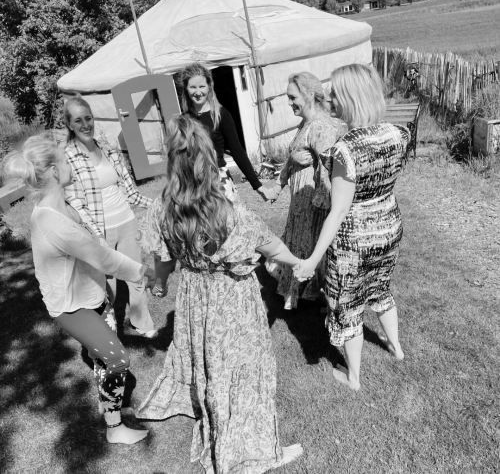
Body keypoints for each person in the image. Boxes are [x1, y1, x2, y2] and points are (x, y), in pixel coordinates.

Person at [135, 116, 303, 473]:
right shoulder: (227, 213)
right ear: (206, 161)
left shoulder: (161, 208)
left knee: (211, 361)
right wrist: (300, 262)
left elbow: (162, 262)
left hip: (195, 296)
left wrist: (162, 284)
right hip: (232, 299)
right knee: (244, 367)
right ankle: (252, 448)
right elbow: (271, 246)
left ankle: (213, 406)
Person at [2, 136, 155, 444]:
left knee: (102, 356)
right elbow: (104, 257)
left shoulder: (66, 205)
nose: (72, 165)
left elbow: (94, 244)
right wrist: (144, 273)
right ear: (55, 171)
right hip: (72, 307)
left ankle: (105, 400)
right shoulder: (53, 222)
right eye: (66, 161)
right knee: (117, 359)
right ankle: (115, 429)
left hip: (94, 294)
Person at [294, 64, 408, 391]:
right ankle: (396, 349)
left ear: (349, 97)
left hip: (354, 240)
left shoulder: (345, 149)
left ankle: (354, 377)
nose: (329, 99)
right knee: (380, 288)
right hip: (389, 226)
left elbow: (340, 208)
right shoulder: (398, 134)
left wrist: (313, 259)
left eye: (334, 93)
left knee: (347, 304)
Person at [63, 96, 158, 336]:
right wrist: (97, 236)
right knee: (109, 288)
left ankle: (142, 323)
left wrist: (157, 205)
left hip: (127, 222)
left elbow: (131, 193)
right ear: (69, 124)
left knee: (136, 276)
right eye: (78, 120)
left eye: (88, 118)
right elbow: (75, 203)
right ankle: (110, 336)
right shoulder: (67, 157)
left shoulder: (108, 149)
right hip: (100, 232)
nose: (86, 124)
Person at [265, 71, 343, 310]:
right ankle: (309, 293)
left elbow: (330, 166)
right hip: (300, 200)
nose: (289, 103)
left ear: (309, 95)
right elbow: (292, 157)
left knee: (312, 249)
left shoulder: (321, 126)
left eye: (292, 97)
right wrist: (279, 184)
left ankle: (327, 301)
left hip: (313, 201)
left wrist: (324, 201)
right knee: (300, 246)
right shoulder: (306, 123)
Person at [177, 63, 275, 202]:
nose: (198, 92)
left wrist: (258, 185)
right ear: (186, 88)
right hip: (194, 185)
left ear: (209, 87)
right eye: (193, 87)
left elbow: (237, 151)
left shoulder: (221, 115)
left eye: (202, 86)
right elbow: (179, 158)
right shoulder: (184, 120)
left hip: (220, 181)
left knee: (228, 222)